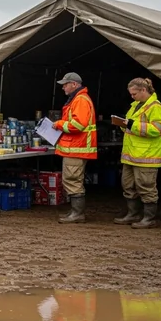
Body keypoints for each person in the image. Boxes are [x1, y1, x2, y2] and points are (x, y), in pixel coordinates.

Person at [113, 78, 161, 229]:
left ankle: (149, 218)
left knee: (146, 187)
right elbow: (130, 125)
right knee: (128, 185)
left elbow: (157, 129)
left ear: (144, 90)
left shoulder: (156, 108)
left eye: (134, 93)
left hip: (146, 156)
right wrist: (123, 125)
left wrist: (131, 124)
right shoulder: (135, 105)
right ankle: (133, 214)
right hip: (131, 154)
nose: (132, 97)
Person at [51, 72, 97, 224]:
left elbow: (78, 125)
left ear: (74, 84)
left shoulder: (80, 100)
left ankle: (77, 214)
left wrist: (58, 124)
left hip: (77, 147)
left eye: (65, 84)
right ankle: (75, 212)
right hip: (75, 147)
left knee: (72, 180)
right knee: (72, 180)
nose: (63, 87)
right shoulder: (77, 99)